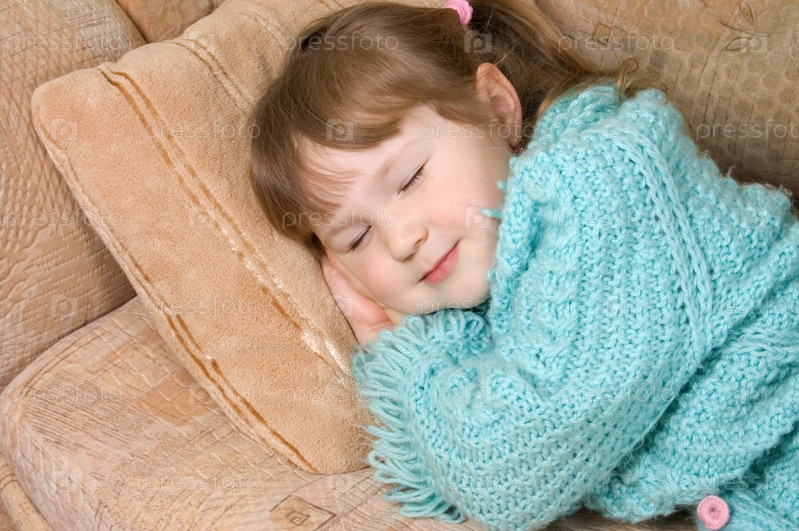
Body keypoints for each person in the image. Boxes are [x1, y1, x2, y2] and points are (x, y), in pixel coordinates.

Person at [249, 1, 799, 530]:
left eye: (410, 178)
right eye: (358, 236)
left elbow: (500, 475)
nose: (401, 240)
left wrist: (403, 347)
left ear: (495, 108)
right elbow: (466, 457)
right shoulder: (494, 270)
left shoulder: (600, 188)